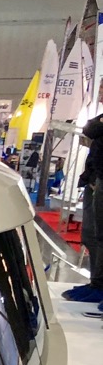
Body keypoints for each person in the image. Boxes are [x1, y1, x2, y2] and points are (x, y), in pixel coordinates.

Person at [64, 113, 103, 304]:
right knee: (92, 235)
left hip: (98, 179)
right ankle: (96, 283)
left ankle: (99, 285)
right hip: (95, 179)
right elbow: (90, 129)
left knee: (98, 235)